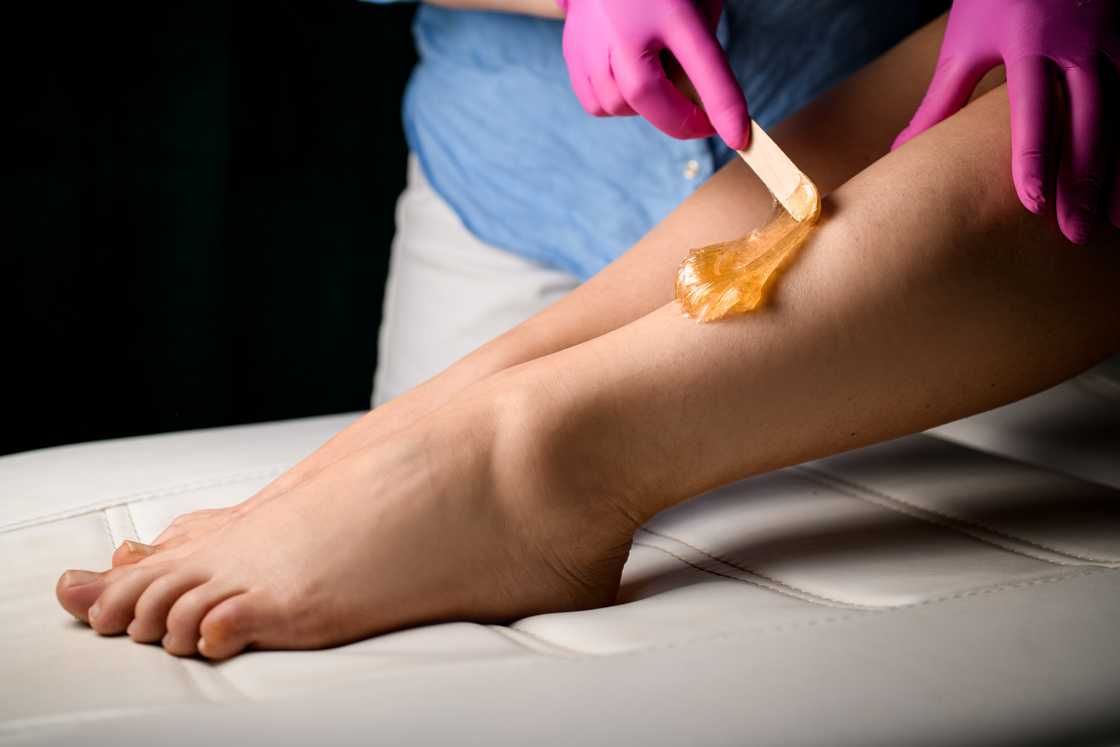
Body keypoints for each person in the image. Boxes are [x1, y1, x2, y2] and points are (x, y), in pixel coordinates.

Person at [55, 5, 1119, 659]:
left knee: (1056, 83)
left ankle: (529, 456)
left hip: (938, 262)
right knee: (475, 386)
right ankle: (473, 407)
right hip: (521, 208)